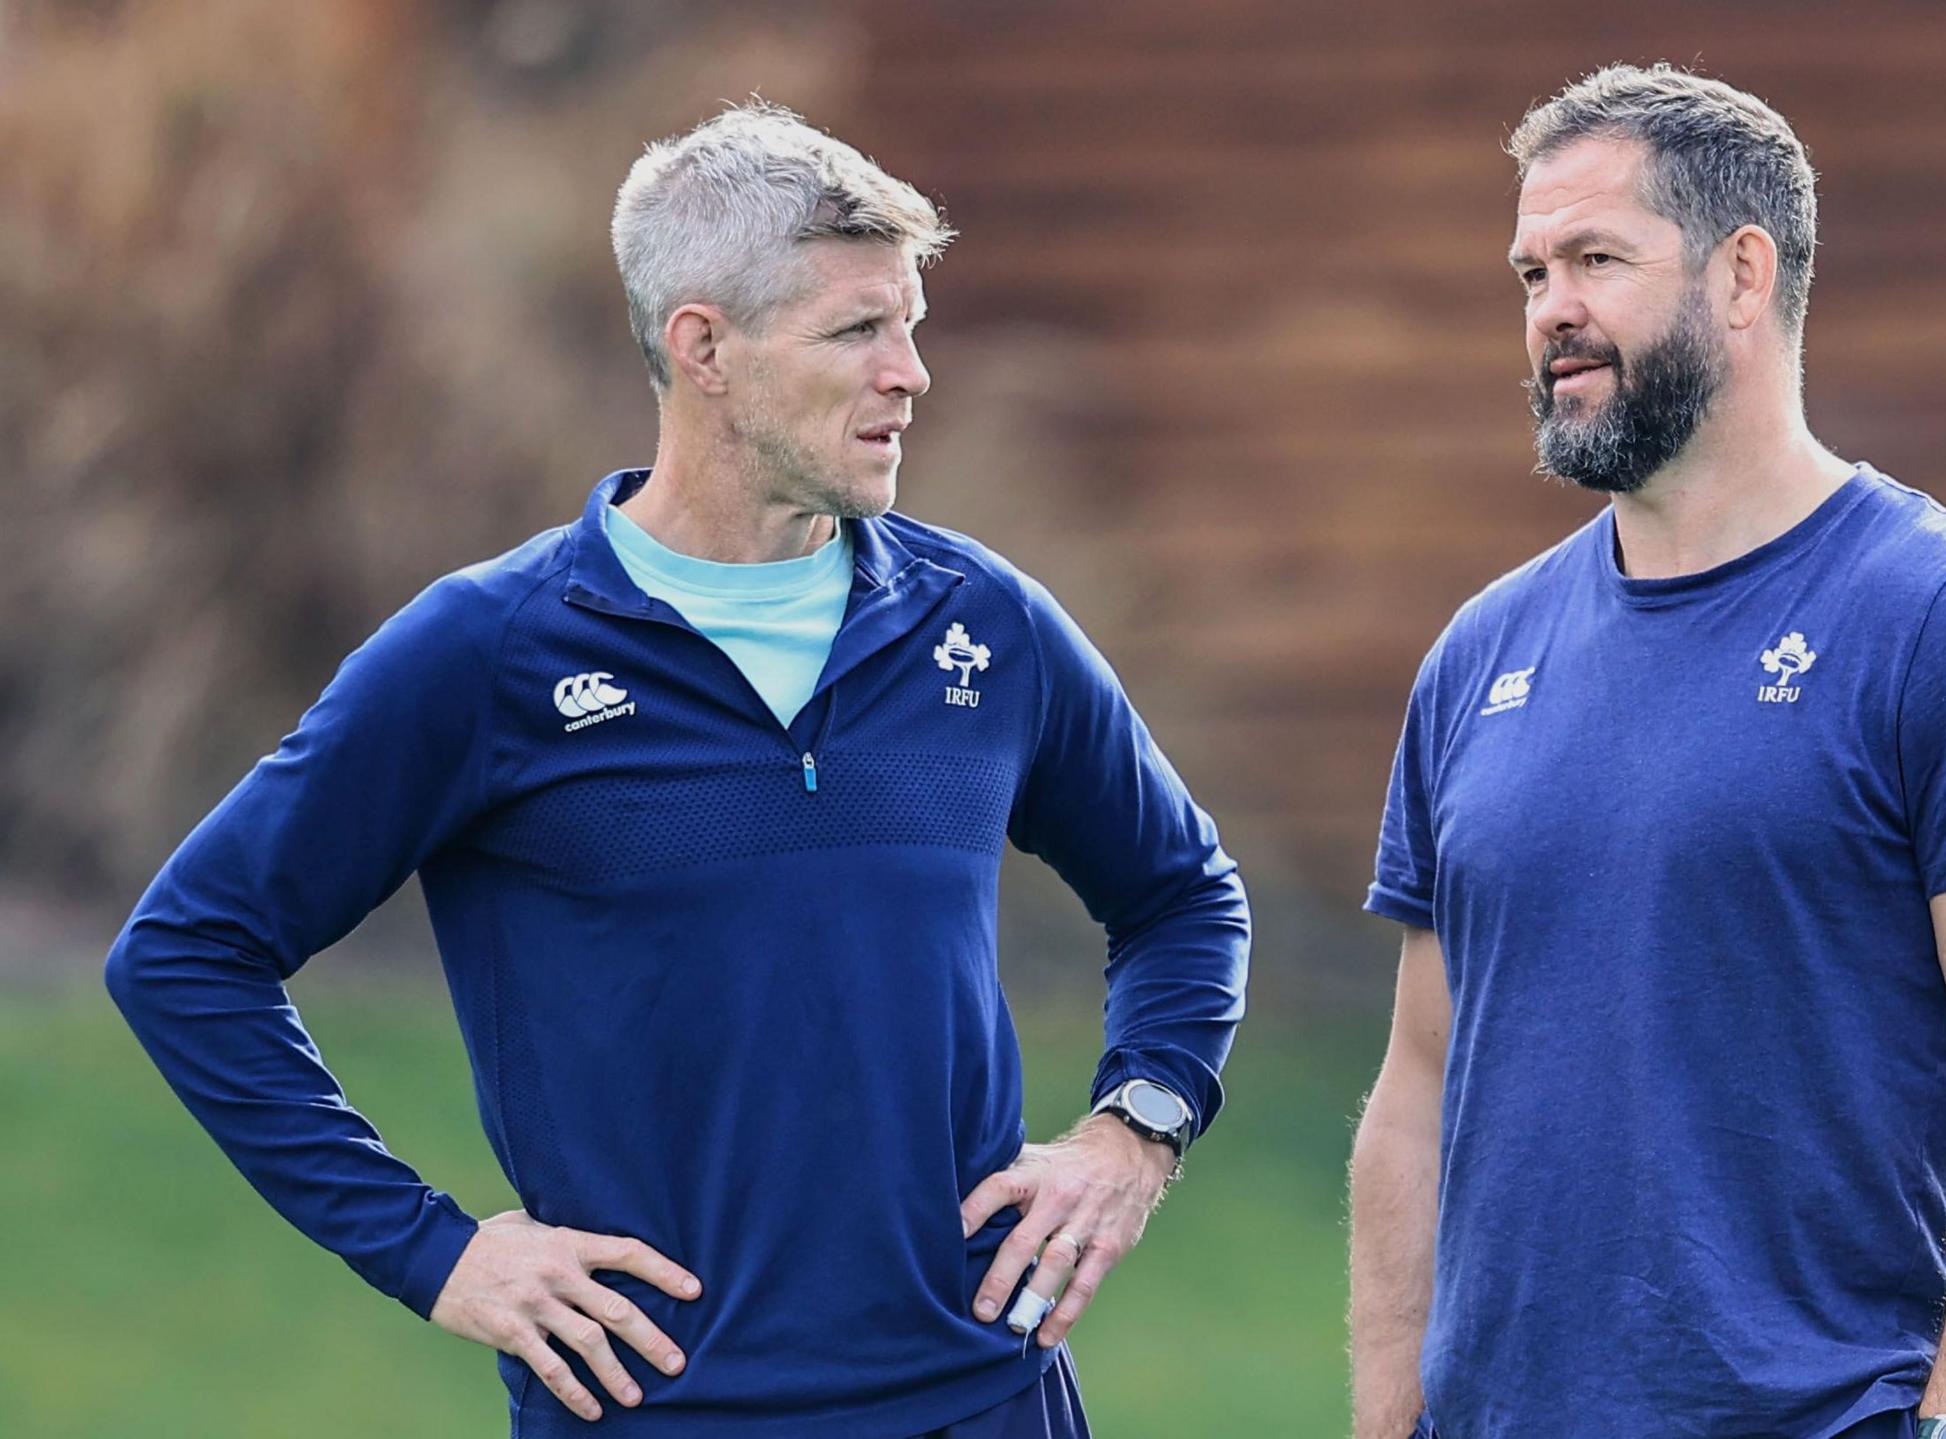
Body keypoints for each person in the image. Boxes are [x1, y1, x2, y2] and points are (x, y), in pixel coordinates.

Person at [103, 101, 1248, 1438]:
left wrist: (1136, 1132)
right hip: (657, 1412)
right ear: (703, 347)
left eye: (911, 324)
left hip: (986, 1401)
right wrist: (436, 1254)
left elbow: (1180, 894)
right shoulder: (487, 653)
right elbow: (189, 952)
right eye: (857, 330)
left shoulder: (983, 624)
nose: (911, 373)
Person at [1348, 66, 1946, 1439]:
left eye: (1598, 259)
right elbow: (1418, 1085)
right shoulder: (1477, 655)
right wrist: (1385, 1411)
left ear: (1741, 274)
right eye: (1533, 272)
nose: (1553, 312)